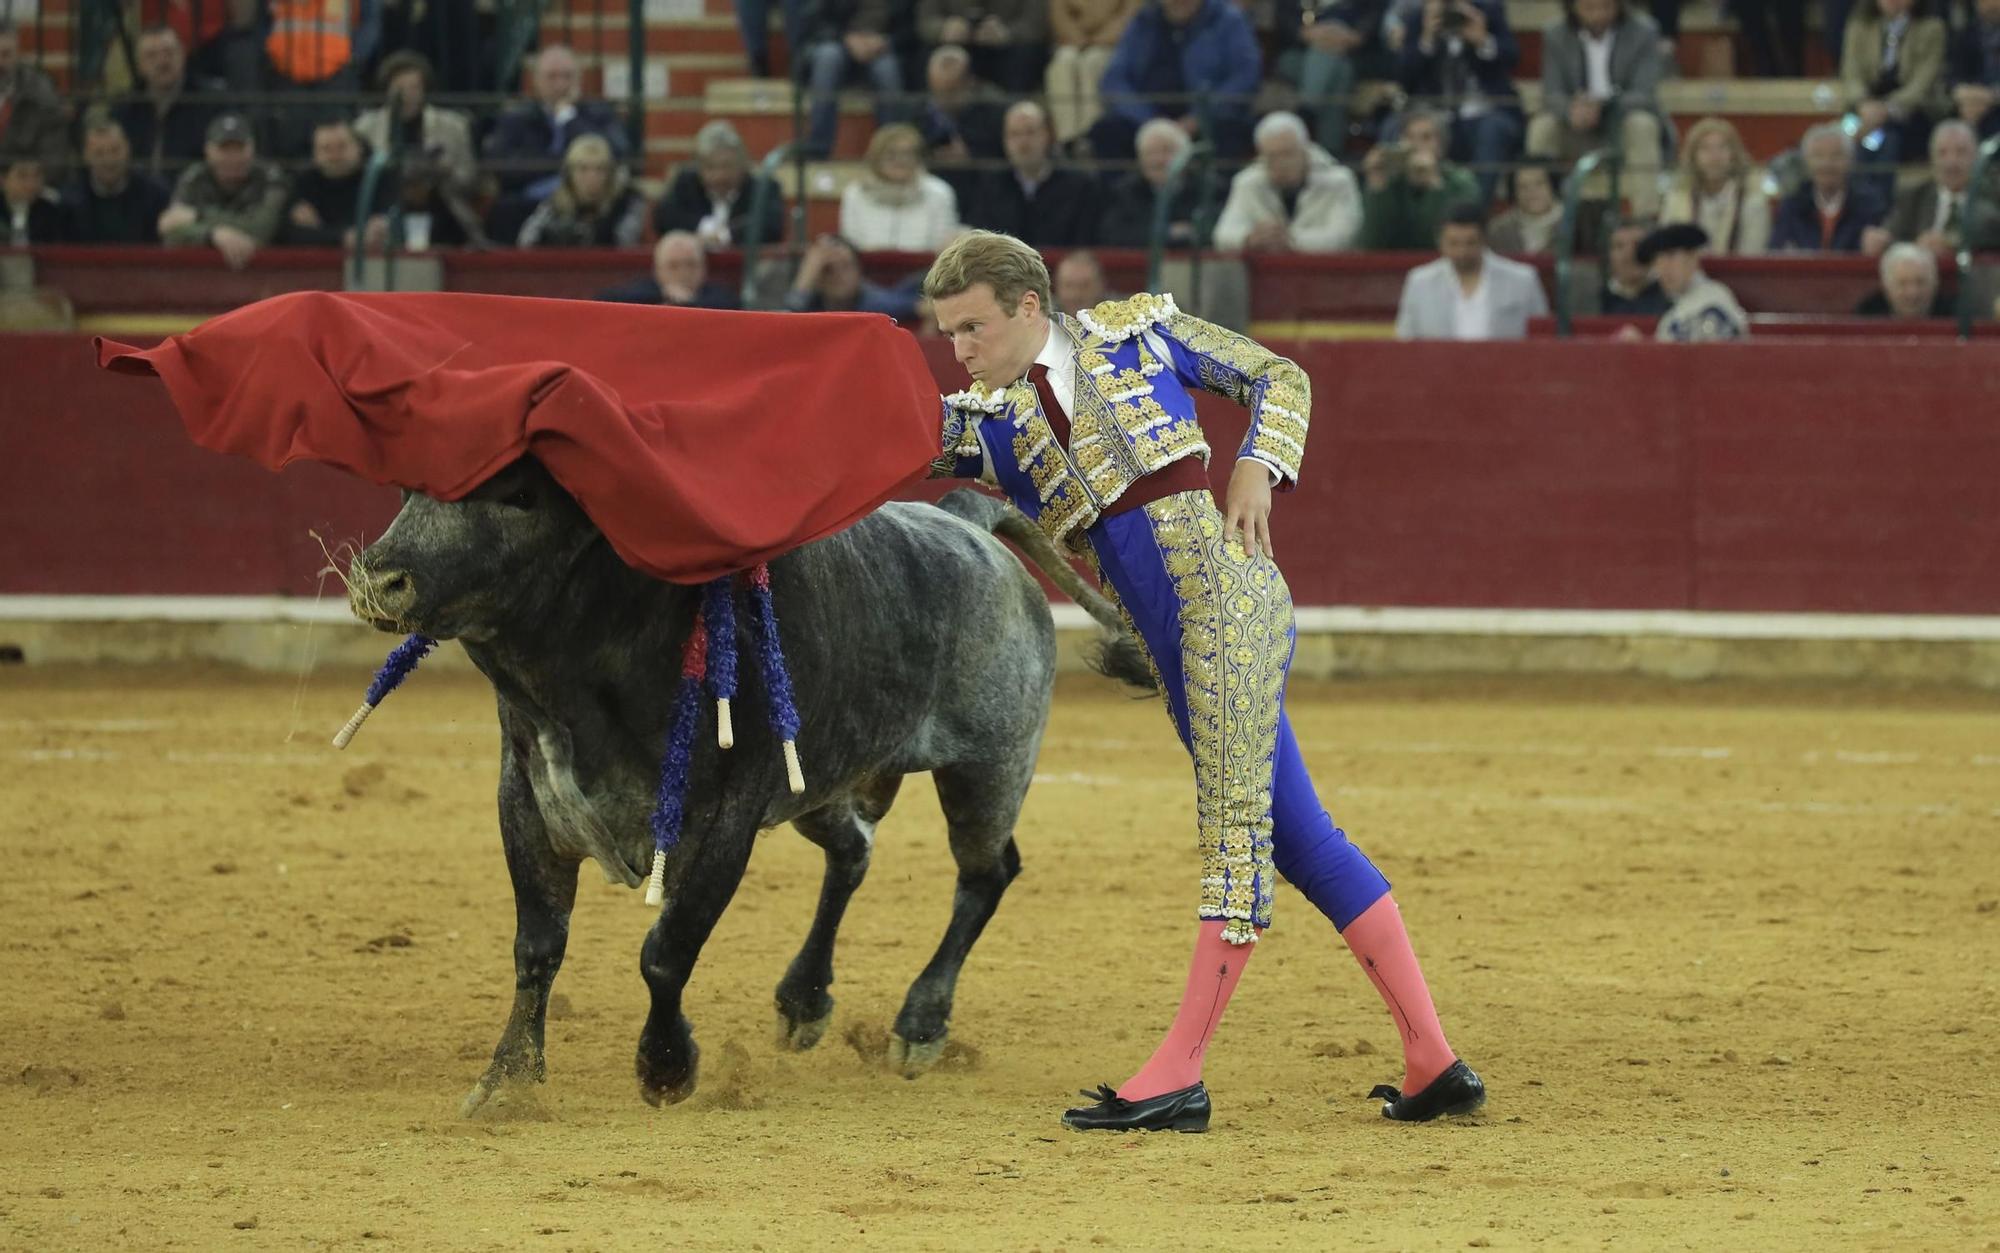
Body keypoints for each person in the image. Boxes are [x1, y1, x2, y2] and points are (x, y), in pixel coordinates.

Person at [925, 228, 1485, 1132]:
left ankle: (1179, 1070)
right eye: (948, 333)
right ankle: (1433, 1058)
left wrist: (1260, 463)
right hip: (1177, 647)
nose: (959, 350)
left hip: (1225, 605)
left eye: (972, 328)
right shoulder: (996, 425)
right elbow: (885, 435)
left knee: (1234, 839)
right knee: (1300, 838)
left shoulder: (1137, 331)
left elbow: (1279, 377)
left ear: (1029, 307)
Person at [1527, 0, 1668, 217]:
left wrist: (1602, 106)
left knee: (1642, 124)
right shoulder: (1555, 34)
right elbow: (1551, 94)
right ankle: (1543, 217)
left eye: (1606, 7)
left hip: (1620, 125)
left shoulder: (1644, 31)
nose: (1598, 16)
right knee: (1542, 127)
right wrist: (1570, 110)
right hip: (1575, 127)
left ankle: (1645, 217)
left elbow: (1644, 94)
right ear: (1573, 7)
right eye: (1589, 8)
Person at [1091, 0, 1262, 160]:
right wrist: (1148, 121)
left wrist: (1198, 119)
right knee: (1107, 132)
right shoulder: (1144, 20)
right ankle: (1123, 192)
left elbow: (1246, 76)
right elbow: (1113, 80)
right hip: (1147, 118)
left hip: (1207, 118)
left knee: (1232, 132)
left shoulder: (1228, 19)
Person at [1395, 0, 1523, 204]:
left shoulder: (1487, 11)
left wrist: (1483, 40)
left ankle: (1473, 215)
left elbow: (1513, 57)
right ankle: (1412, 212)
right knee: (1394, 129)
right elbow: (1404, 78)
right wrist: (1427, 40)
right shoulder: (1419, 16)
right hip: (1433, 112)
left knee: (1493, 130)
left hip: (1481, 112)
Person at [483, 45, 631, 198]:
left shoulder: (600, 112)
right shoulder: (516, 117)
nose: (560, 85)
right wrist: (563, 163)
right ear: (536, 80)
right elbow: (501, 166)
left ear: (579, 79)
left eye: (567, 76)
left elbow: (617, 153)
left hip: (587, 201)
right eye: (551, 77)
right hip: (527, 203)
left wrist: (569, 119)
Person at [1212, 110, 1363, 252]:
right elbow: (1223, 234)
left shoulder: (1339, 181)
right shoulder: (1247, 182)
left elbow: (1344, 236)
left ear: (1305, 149)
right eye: (1271, 156)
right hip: (1267, 275)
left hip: (1326, 274)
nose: (1281, 163)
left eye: (1287, 154)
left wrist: (1290, 240)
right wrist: (1249, 238)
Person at [1395, 202, 1550, 338]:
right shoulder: (1420, 283)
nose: (1462, 252)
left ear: (1484, 240)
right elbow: (1406, 340)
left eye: (1470, 243)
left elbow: (1541, 338)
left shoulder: (1522, 280)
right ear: (1440, 242)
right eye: (1453, 243)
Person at [157, 113, 288, 270]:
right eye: (224, 149)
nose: (233, 157)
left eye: (240, 148)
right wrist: (213, 235)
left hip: (265, 275)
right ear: (208, 151)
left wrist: (199, 215)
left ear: (253, 149)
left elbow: (262, 229)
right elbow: (171, 232)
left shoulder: (270, 178)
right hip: (202, 276)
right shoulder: (194, 178)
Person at [1840, 0, 1947, 184]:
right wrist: (1864, 103)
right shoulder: (1859, 26)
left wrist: (1886, 109)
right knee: (1847, 131)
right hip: (1864, 108)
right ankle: (1858, 196)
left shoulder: (1932, 29)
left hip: (1910, 112)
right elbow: (1851, 73)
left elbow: (1922, 82)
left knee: (1885, 139)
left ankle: (1877, 199)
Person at [965, 101, 1101, 246]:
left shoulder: (1079, 185)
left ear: (1048, 135)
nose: (1023, 143)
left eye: (1030, 132)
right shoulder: (990, 186)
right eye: (1014, 134)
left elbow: (1084, 245)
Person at [353, 50, 481, 200]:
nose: (407, 94)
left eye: (414, 87)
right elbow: (357, 178)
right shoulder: (365, 127)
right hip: (383, 204)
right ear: (387, 89)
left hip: (440, 204)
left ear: (424, 89)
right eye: (400, 88)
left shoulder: (453, 125)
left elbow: (469, 177)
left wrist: (447, 171)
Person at [1864, 120, 1997, 256]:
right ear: (1932, 159)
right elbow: (1891, 237)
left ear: (1977, 157)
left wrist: (1951, 243)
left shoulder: (1994, 196)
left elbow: (1991, 232)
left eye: (1961, 152)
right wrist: (1880, 241)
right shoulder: (1914, 197)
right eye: (1942, 153)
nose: (1951, 162)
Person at [1279, 0, 1395, 155]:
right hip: (1298, 57)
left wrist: (1351, 37)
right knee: (1331, 62)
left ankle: (1307, 108)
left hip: (1351, 56)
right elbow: (1284, 20)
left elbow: (1372, 21)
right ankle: (1331, 153)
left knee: (1339, 71)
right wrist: (1308, 34)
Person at [1359, 106, 1480, 250]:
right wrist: (1377, 187)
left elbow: (1442, 243)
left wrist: (1434, 185)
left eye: (1426, 138)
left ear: (1441, 145)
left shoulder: (1461, 182)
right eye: (1409, 137)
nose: (1416, 145)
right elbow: (1372, 244)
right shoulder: (1390, 180)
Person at [654, 120, 786, 251]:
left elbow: (771, 226)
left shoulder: (764, 188)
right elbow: (664, 218)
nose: (719, 176)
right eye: (710, 167)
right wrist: (705, 228)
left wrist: (724, 236)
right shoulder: (685, 184)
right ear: (699, 168)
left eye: (727, 166)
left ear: (743, 165)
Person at [800, 0, 906, 159]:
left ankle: (890, 150)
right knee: (828, 57)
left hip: (883, 48)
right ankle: (818, 148)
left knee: (887, 71)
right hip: (839, 42)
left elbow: (911, 28)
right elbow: (816, 21)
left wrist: (885, 42)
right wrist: (846, 38)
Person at [1659, 117, 1773, 256]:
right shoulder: (1676, 200)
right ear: (1693, 157)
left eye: (1722, 147)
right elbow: (1668, 252)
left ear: (1734, 155)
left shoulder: (1753, 201)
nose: (1715, 156)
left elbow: (1753, 255)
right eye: (1705, 148)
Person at [839, 123, 963, 251]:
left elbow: (942, 249)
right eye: (891, 154)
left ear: (918, 158)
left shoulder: (940, 192)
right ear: (876, 158)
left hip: (927, 269)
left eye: (907, 154)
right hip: (865, 269)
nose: (900, 160)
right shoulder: (854, 193)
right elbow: (851, 247)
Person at [1770, 122, 1888, 251]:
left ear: (1850, 160)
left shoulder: (1870, 203)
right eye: (1818, 156)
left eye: (1836, 155)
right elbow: (1775, 249)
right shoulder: (1792, 204)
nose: (1827, 164)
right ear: (1806, 162)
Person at [516, 134, 646, 248]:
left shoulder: (627, 201)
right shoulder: (555, 203)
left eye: (600, 169)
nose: (592, 176)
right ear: (569, 174)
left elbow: (624, 244)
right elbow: (526, 241)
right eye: (583, 169)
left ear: (610, 174)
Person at [62, 117, 172, 244]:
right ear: (86, 156)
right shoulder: (70, 203)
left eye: (115, 150)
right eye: (99, 153)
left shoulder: (155, 196)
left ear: (128, 149)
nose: (109, 160)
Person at [280, 120, 387, 249]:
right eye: (326, 149)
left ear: (359, 148)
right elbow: (290, 235)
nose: (335, 155)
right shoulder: (303, 183)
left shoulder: (378, 179)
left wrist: (322, 231)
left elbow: (381, 232)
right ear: (315, 155)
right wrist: (344, 237)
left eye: (342, 146)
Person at [1046, 0, 1139, 148]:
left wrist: (1100, 39)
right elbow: (1060, 16)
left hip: (1112, 44)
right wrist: (1080, 39)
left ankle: (1089, 137)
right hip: (1074, 42)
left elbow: (1128, 15)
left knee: (1092, 62)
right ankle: (1067, 140)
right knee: (1063, 62)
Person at [920, 44, 1009, 198]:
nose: (942, 100)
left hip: (982, 193)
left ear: (970, 82)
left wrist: (970, 159)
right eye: (937, 91)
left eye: (950, 92)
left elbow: (1005, 164)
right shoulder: (920, 113)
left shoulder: (996, 111)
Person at [1096, 116, 1197, 247]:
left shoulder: (1211, 189)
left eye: (1167, 151)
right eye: (1150, 153)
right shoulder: (1123, 192)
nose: (1159, 160)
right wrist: (1167, 233)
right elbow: (1113, 235)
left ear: (1186, 155)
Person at [1640, 222, 1750, 340]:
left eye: (1671, 256)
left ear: (1693, 257)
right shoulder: (1671, 311)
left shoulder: (1714, 299)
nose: (1663, 268)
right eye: (1657, 261)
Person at [918, 0, 1050, 92]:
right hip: (957, 45)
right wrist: (944, 29)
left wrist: (1007, 33)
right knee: (930, 55)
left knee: (1027, 54)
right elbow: (926, 20)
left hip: (1006, 50)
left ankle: (1012, 114)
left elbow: (1036, 24)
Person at [784, 233, 922, 317]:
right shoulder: (811, 302)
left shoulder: (872, 301)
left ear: (859, 271)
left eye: (845, 266)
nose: (839, 275)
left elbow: (916, 306)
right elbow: (788, 318)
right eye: (828, 269)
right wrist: (805, 280)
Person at [598, 231, 742, 308]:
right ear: (657, 270)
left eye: (691, 264)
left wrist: (689, 303)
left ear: (704, 268)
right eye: (673, 266)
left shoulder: (724, 299)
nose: (683, 273)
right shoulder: (633, 294)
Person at [0, 23, 70, 181]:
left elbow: (54, 160)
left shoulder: (42, 96)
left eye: (5, 55)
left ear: (18, 55)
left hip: (27, 188)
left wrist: (18, 181)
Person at [1856, 240, 1954, 316]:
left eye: (1920, 282)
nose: (1912, 293)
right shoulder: (1866, 315)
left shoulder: (1955, 316)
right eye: (1902, 284)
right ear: (1886, 286)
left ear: (1935, 283)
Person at [1948, 0, 2000, 139]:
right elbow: (1954, 76)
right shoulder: (1966, 34)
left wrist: (1992, 96)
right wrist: (1965, 94)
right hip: (1972, 103)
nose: (1991, 5)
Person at [1485, 162, 1563, 254]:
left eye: (1539, 184)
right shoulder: (1499, 229)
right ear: (1514, 192)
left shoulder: (1573, 223)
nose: (1531, 191)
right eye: (1523, 186)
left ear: (1552, 186)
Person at [1599, 218, 1670, 313]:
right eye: (1619, 246)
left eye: (1637, 244)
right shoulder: (1595, 301)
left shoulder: (1670, 296)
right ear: (1609, 256)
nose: (1629, 253)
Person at [3, 157, 70, 244]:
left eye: (37, 175)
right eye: (22, 176)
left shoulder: (51, 213)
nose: (31, 184)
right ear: (3, 179)